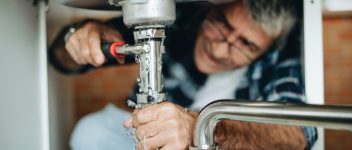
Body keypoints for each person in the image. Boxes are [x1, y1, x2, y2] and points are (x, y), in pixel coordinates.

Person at [49, 0, 317, 149]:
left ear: (265, 50)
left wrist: (201, 127)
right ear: (209, 9)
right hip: (138, 133)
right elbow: (62, 60)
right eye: (222, 24)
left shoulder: (280, 56)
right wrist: (78, 36)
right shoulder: (182, 19)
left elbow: (297, 135)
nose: (221, 48)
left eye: (246, 45)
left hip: (217, 143)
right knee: (90, 134)